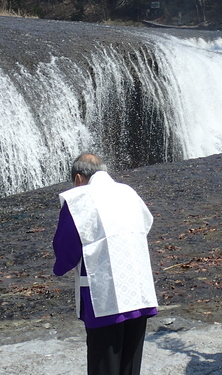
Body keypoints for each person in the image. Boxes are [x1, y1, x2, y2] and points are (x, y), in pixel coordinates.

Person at [53, 153, 158, 375]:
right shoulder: (128, 193)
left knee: (105, 362)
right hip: (138, 287)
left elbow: (66, 246)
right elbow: (146, 223)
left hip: (103, 293)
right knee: (130, 362)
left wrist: (60, 266)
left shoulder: (79, 200)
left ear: (79, 178)